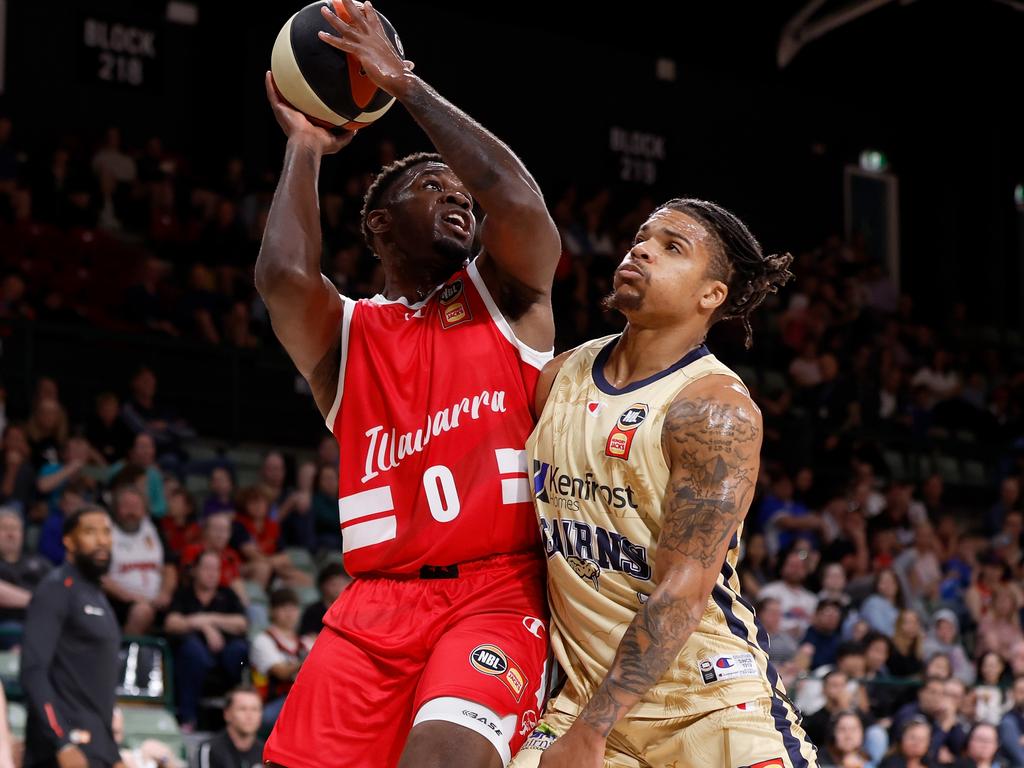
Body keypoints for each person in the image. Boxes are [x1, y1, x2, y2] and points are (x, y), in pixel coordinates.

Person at [258, 2, 560, 766]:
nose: (459, 192)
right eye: (433, 184)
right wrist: (304, 146)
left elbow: (521, 206)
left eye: (461, 188)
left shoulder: (508, 299)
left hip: (495, 594)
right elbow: (285, 278)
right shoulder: (351, 337)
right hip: (373, 608)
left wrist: (410, 90)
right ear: (381, 226)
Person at [510, 198, 812, 767]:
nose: (641, 249)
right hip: (583, 701)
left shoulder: (713, 410)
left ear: (710, 295)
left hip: (709, 703)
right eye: (641, 238)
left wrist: (592, 730)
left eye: (673, 247)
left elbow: (683, 588)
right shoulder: (558, 379)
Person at [20, 505, 123, 768]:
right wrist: (61, 740)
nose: (102, 540)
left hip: (99, 742)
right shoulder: (56, 588)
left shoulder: (97, 595)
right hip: (65, 746)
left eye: (106, 532)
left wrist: (111, 751)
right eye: (90, 532)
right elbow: (33, 670)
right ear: (69, 541)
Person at [195, 687, 264, 768]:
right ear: (227, 714)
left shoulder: (266, 751)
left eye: (255, 709)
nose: (249, 715)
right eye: (242, 709)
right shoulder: (209, 749)